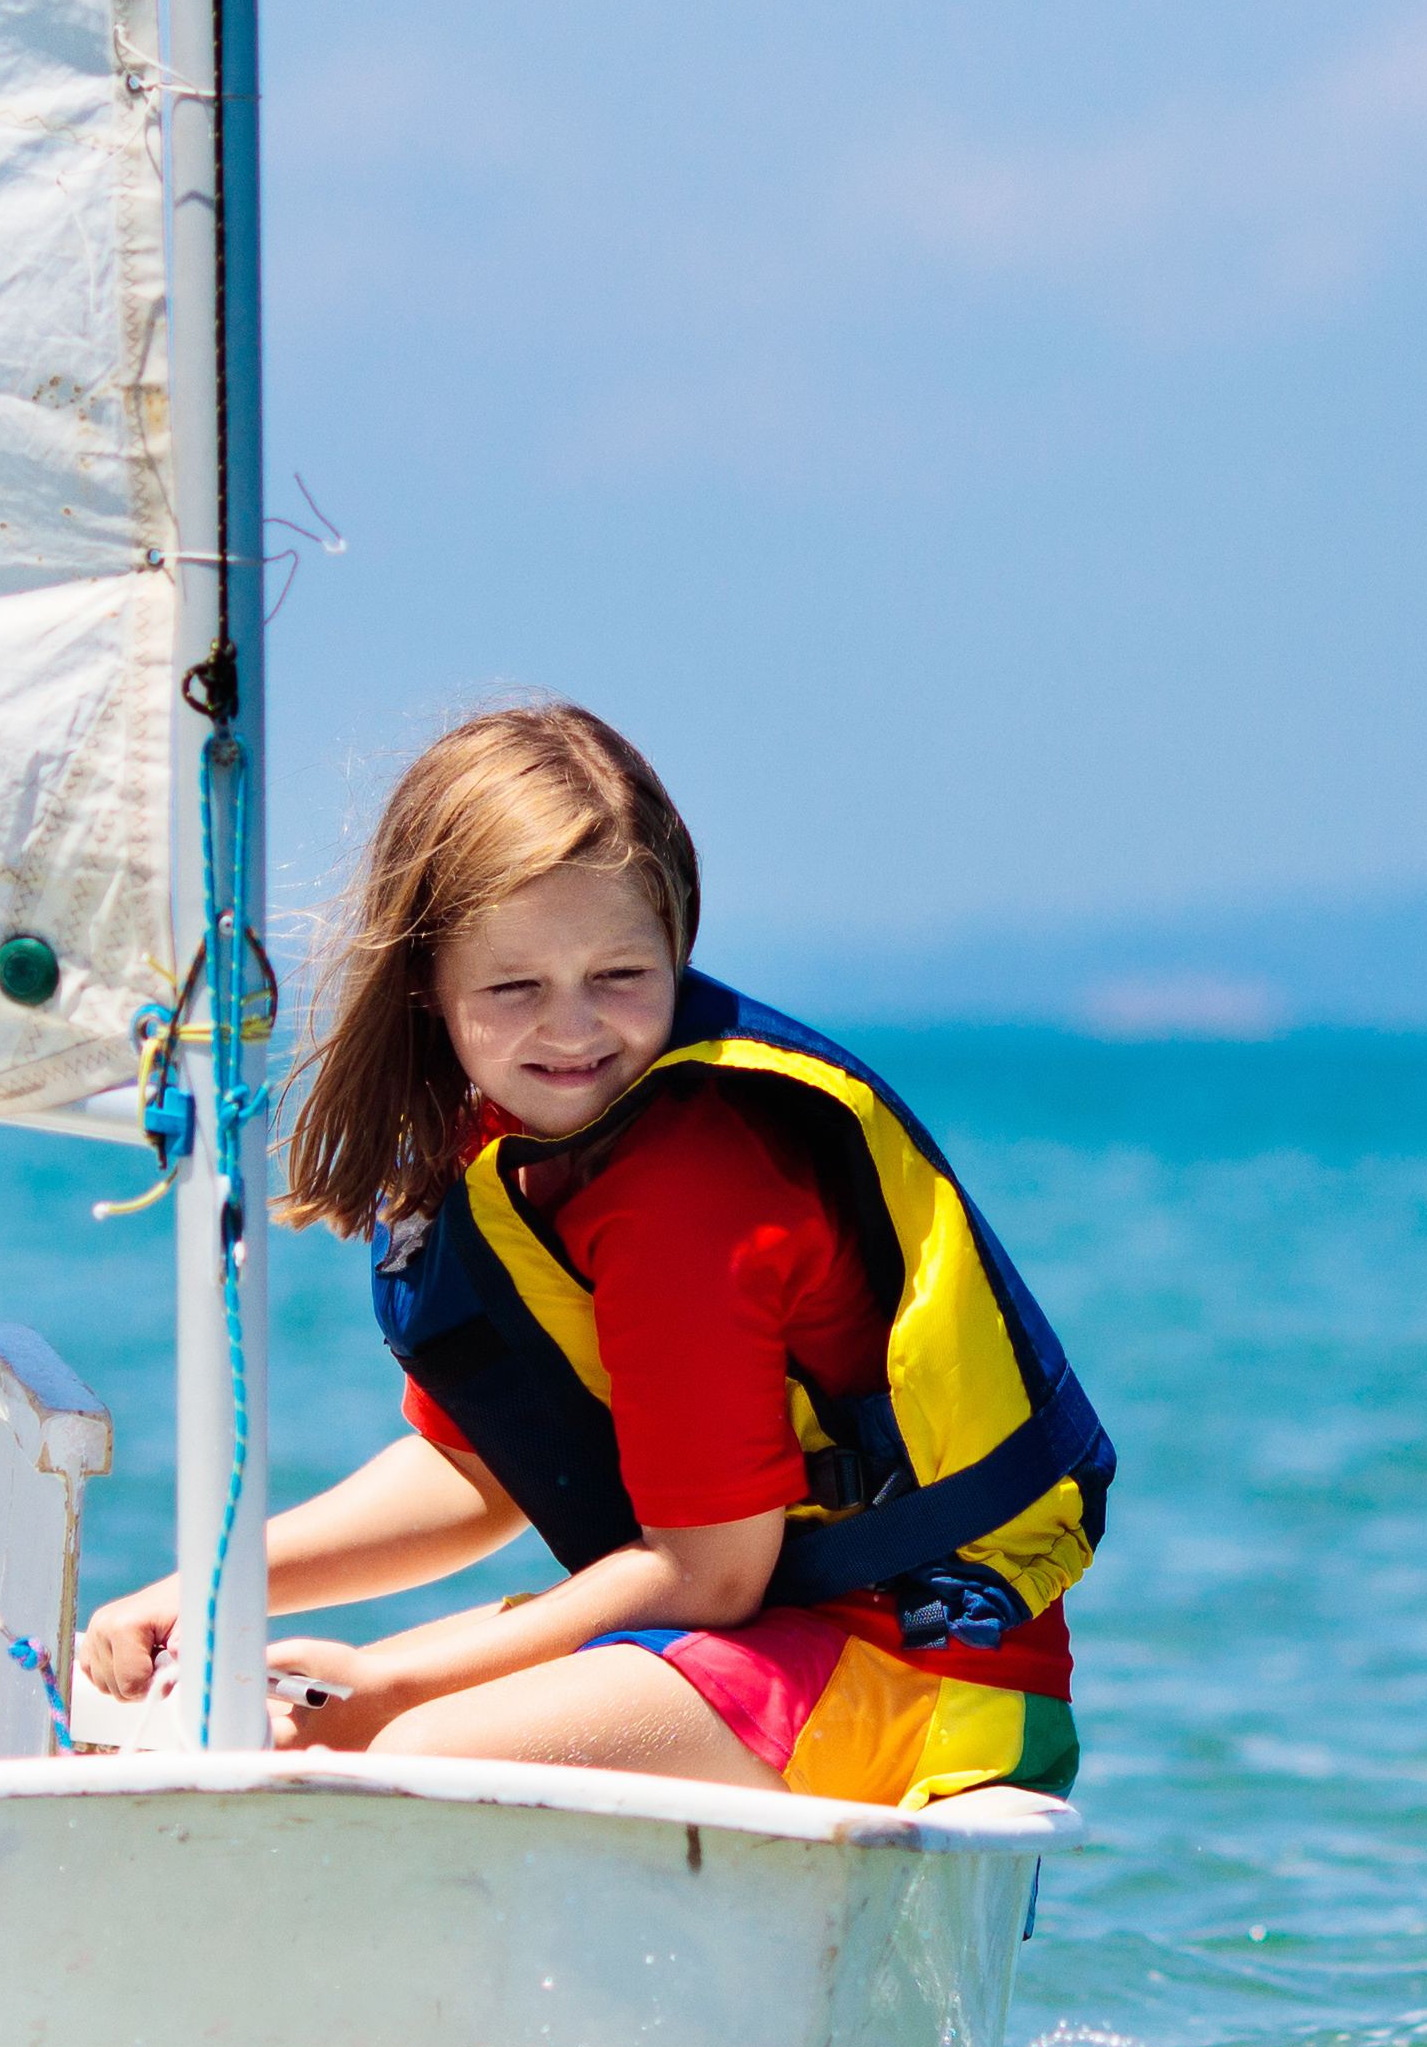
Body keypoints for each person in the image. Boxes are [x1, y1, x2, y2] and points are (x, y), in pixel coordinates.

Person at [79, 703, 1109, 1803]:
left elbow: (705, 1573)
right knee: (332, 1726)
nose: (572, 1030)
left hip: (919, 1668)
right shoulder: (511, 1153)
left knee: (405, 1758)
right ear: (426, 983)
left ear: (678, 943)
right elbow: (470, 1477)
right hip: (767, 1628)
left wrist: (384, 1685)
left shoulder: (683, 1188)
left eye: (619, 974)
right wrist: (212, 1588)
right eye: (514, 988)